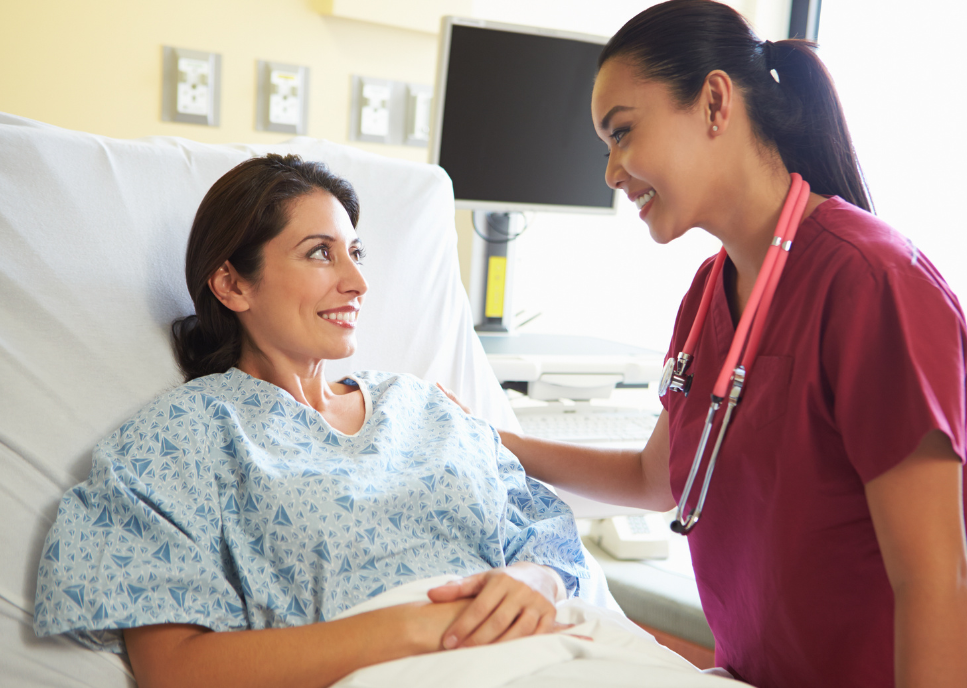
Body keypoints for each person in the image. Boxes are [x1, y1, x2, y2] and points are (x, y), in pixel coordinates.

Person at [437, 1, 967, 686]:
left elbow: (935, 582)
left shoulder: (872, 281)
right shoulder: (710, 292)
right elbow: (657, 478)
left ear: (712, 102)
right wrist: (493, 440)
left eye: (622, 133)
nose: (611, 173)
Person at [32, 154, 590, 688]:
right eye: (321, 253)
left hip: (562, 651)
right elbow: (176, 671)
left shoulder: (425, 406)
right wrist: (416, 625)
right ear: (232, 284)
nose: (357, 282)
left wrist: (536, 580)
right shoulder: (179, 440)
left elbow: (547, 533)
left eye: (355, 252)